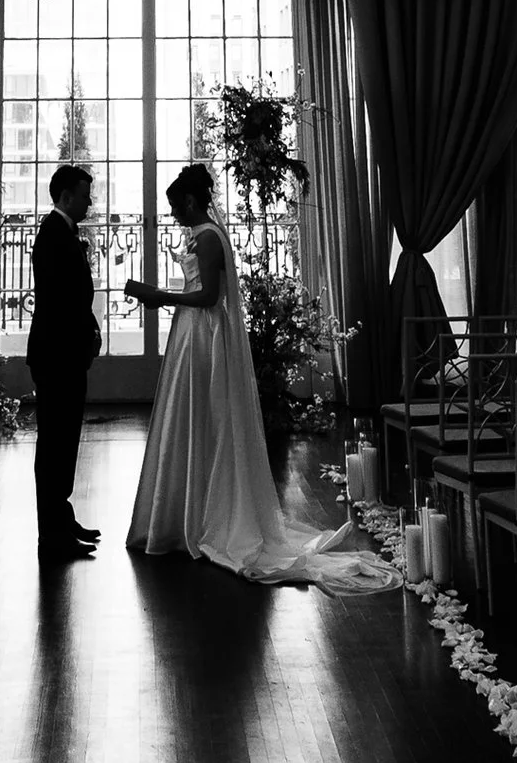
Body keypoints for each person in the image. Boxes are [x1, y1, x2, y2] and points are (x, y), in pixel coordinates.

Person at [123, 161, 388, 588]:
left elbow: (208, 296)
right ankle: (185, 511)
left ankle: (199, 514)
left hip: (203, 335)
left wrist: (158, 296)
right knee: (195, 420)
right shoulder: (203, 235)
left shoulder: (208, 237)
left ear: (192, 201)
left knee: (203, 417)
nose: (174, 215)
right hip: (193, 333)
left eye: (177, 207)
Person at [25, 158, 101, 565]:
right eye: (86, 197)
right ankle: (51, 535)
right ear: (66, 197)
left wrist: (91, 327)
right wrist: (83, 334)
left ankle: (62, 518)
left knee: (65, 440)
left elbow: (76, 295)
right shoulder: (53, 234)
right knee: (54, 443)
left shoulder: (63, 232)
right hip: (57, 356)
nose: (90, 204)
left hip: (65, 352)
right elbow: (58, 300)